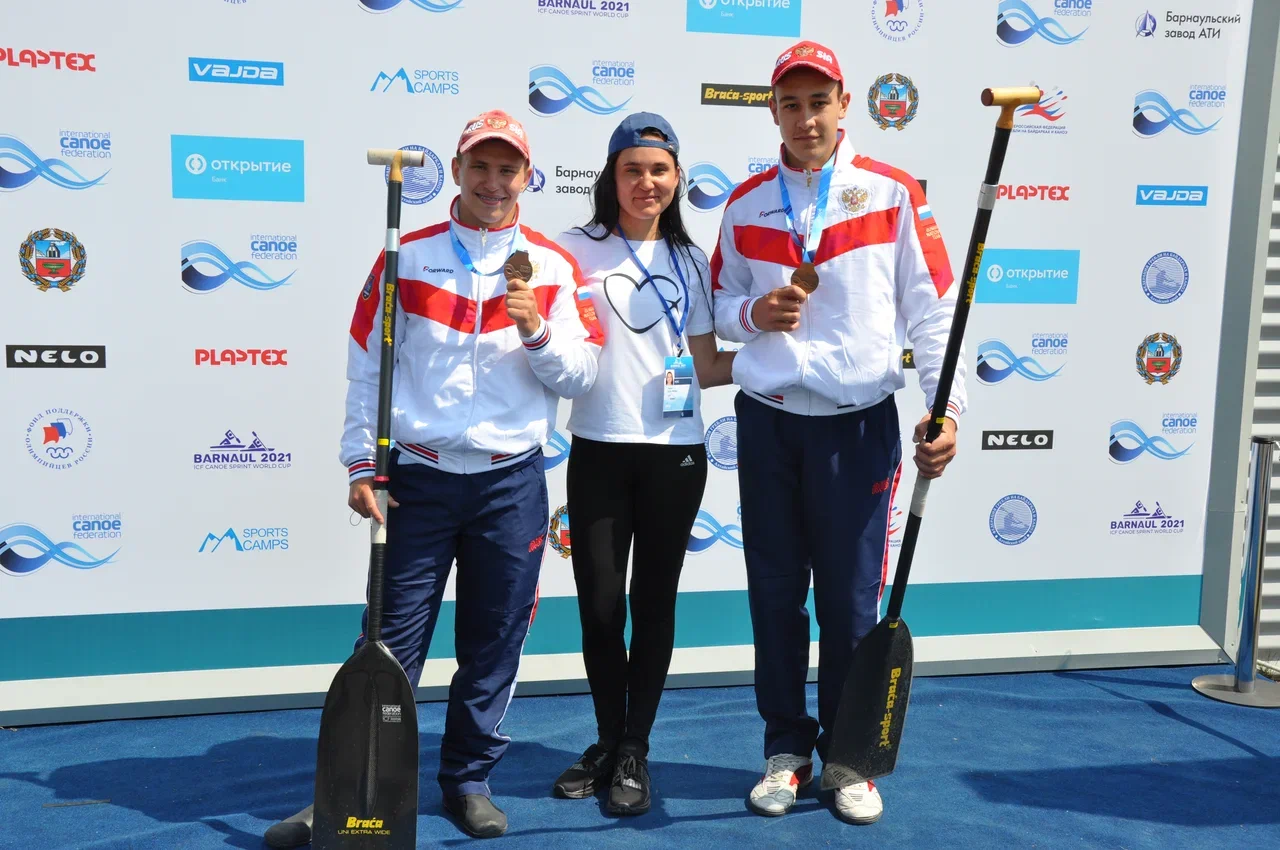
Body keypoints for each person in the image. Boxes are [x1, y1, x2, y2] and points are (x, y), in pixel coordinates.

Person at [263, 109, 604, 847]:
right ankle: (346, 789)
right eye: (480, 166)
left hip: (511, 484)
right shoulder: (406, 256)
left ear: (527, 177)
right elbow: (368, 367)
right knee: (388, 642)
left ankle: (467, 780)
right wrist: (362, 462)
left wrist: (536, 331)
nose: (493, 181)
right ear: (456, 171)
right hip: (419, 479)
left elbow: (581, 375)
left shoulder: (551, 266)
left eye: (507, 168)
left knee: (495, 640)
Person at [709, 42, 965, 826]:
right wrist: (755, 313)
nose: (806, 118)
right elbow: (718, 309)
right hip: (770, 424)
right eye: (790, 104)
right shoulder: (745, 204)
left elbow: (934, 312)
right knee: (775, 596)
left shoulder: (892, 192)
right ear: (773, 111)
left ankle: (848, 757)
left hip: (858, 430)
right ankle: (785, 752)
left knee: (852, 604)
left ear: (844, 104)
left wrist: (947, 409)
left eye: (818, 102)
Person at [549, 112, 736, 816]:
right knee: (600, 607)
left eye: (659, 170)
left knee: (654, 602)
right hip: (598, 448)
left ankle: (635, 747)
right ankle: (606, 739)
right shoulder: (572, 250)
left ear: (678, 177)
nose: (646, 182)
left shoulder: (693, 260)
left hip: (675, 455)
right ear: (612, 176)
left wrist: (788, 354)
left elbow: (708, 365)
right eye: (632, 169)